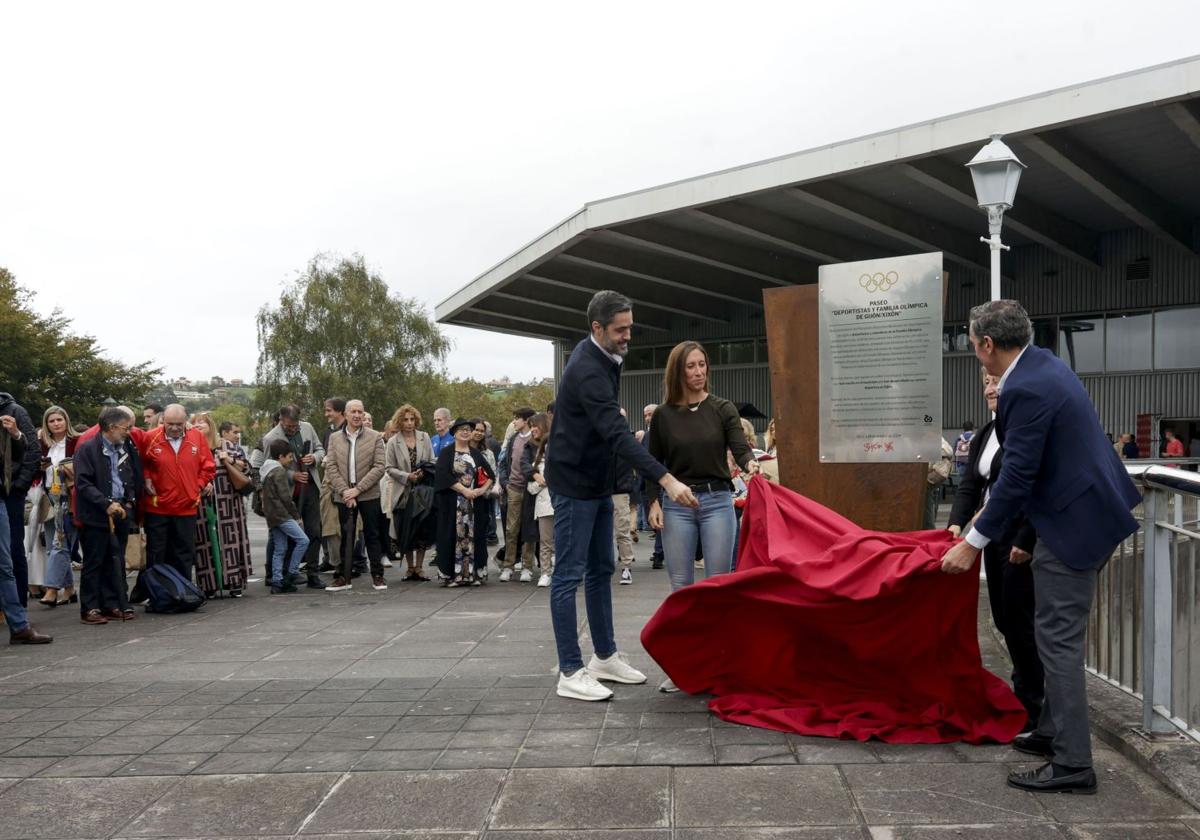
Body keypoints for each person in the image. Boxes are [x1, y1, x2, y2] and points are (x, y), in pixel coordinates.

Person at [941, 299, 1141, 795]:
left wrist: (972, 541)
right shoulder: (1044, 363)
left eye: (972, 345)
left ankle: (1073, 763)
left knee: (1057, 640)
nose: (975, 355)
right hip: (1084, 513)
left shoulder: (1024, 388)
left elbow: (1015, 477)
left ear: (987, 344)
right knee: (1052, 633)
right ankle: (1052, 730)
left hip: (1073, 525)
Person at [547, 290, 699, 702]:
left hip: (597, 481)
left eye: (630, 327)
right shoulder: (587, 369)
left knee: (602, 569)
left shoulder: (605, 356)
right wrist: (666, 481)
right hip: (573, 483)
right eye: (620, 329)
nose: (628, 335)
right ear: (597, 328)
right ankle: (570, 670)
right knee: (568, 575)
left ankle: (604, 657)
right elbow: (615, 434)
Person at [645, 341, 757, 678]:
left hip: (717, 501)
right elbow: (652, 462)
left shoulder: (723, 408)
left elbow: (740, 448)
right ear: (678, 371)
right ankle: (685, 666)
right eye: (691, 366)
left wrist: (751, 464)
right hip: (677, 505)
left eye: (702, 365)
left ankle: (720, 663)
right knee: (681, 588)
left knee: (719, 585)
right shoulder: (663, 415)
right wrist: (652, 501)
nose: (698, 372)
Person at [947, 367, 1044, 731]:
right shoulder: (987, 433)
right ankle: (1025, 701)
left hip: (1018, 537)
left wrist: (1026, 538)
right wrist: (956, 523)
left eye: (996, 382)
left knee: (1021, 621)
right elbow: (971, 484)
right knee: (1003, 617)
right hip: (991, 534)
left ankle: (1033, 708)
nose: (990, 388)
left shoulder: (1023, 429)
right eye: (986, 382)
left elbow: (1033, 483)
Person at [74, 406, 143, 624]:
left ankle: (113, 602)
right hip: (96, 513)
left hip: (122, 510)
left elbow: (133, 474)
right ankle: (90, 607)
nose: (128, 431)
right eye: (125, 427)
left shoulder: (126, 447)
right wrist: (105, 504)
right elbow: (83, 483)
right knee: (95, 560)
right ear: (112, 427)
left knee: (115, 559)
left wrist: (130, 500)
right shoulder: (87, 449)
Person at [138, 403, 215, 588]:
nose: (174, 428)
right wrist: (146, 478)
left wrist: (197, 485)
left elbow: (208, 466)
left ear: (185, 421)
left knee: (184, 553)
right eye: (170, 423)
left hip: (186, 507)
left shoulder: (196, 437)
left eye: (178, 424)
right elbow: (140, 464)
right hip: (158, 507)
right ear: (163, 421)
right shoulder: (150, 438)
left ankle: (184, 592)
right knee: (157, 553)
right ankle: (156, 593)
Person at [253, 405, 325, 588]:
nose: (292, 429)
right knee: (282, 536)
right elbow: (268, 468)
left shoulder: (307, 427)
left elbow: (320, 449)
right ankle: (279, 574)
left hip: (310, 488)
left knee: (314, 531)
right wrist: (291, 475)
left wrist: (314, 458)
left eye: (295, 426)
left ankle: (312, 573)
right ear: (281, 420)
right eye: (288, 426)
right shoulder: (270, 438)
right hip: (287, 492)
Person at [324, 399, 388, 592]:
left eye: (360, 411)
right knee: (346, 535)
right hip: (344, 494)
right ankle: (344, 576)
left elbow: (379, 466)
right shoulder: (335, 438)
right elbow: (331, 466)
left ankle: (377, 576)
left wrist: (358, 489)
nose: (357, 415)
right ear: (345, 414)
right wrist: (345, 491)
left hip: (368, 493)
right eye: (353, 412)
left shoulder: (375, 437)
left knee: (372, 535)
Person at [1, 410, 52, 643]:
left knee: (5, 563)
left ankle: (19, 625)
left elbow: (27, 451)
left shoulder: (11, 411)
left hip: (3, 496)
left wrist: (15, 434)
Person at [191, 412, 252, 597]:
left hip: (229, 504)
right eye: (194, 423)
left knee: (231, 540)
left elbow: (247, 468)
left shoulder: (226, 446)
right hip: (202, 503)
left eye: (201, 422)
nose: (197, 425)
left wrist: (229, 459)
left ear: (211, 425)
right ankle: (208, 585)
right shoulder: (191, 447)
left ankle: (234, 583)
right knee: (205, 542)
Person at [433, 417, 495, 586]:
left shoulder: (475, 453)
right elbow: (442, 476)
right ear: (454, 433)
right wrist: (464, 490)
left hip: (474, 505)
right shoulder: (447, 452)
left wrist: (480, 491)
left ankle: (473, 574)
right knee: (452, 536)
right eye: (462, 429)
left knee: (475, 537)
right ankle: (453, 575)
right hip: (453, 503)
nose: (466, 432)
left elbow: (490, 475)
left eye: (468, 429)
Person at [385, 404, 435, 581]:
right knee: (406, 528)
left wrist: (423, 471)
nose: (409, 423)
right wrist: (407, 476)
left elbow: (431, 460)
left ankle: (420, 568)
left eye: (412, 419)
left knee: (422, 528)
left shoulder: (424, 437)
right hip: (403, 492)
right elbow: (389, 467)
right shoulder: (393, 441)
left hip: (423, 491)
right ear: (399, 421)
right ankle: (410, 567)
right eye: (405, 420)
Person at [35, 406, 79, 607]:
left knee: (59, 544)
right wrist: (41, 467)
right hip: (49, 497)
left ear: (66, 421)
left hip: (68, 497)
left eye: (59, 419)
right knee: (55, 545)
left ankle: (52, 589)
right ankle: (69, 589)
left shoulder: (77, 441)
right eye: (51, 421)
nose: (56, 424)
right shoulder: (43, 444)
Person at [0, 392, 39, 607]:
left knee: (13, 549)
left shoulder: (15, 411)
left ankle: (19, 606)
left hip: (10, 493)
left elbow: (32, 450)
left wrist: (18, 486)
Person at [260, 439, 310, 594]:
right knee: (303, 540)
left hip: (272, 516)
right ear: (280, 457)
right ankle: (291, 573)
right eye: (289, 456)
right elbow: (285, 497)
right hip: (282, 515)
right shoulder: (279, 471)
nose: (291, 460)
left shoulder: (266, 469)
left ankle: (277, 581)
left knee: (280, 549)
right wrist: (296, 516)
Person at [498, 407, 537, 582]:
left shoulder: (536, 439)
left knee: (529, 529)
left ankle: (527, 567)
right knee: (511, 529)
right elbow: (504, 463)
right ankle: (508, 566)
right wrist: (505, 484)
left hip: (530, 489)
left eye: (517, 418)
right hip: (513, 488)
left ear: (526, 420)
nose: (514, 422)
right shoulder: (513, 439)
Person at [526, 412, 554, 587]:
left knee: (562, 541)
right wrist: (541, 483)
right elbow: (530, 488)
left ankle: (561, 570)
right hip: (544, 506)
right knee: (545, 541)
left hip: (562, 505)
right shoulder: (537, 465)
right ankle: (545, 572)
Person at [613, 408, 637, 585]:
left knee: (622, 530)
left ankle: (626, 566)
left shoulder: (628, 440)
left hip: (620, 489)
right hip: (600, 490)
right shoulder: (599, 437)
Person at [923, 437, 954, 529]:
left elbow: (947, 451)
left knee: (925, 505)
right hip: (919, 478)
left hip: (925, 479)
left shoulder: (931, 436)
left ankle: (928, 533)